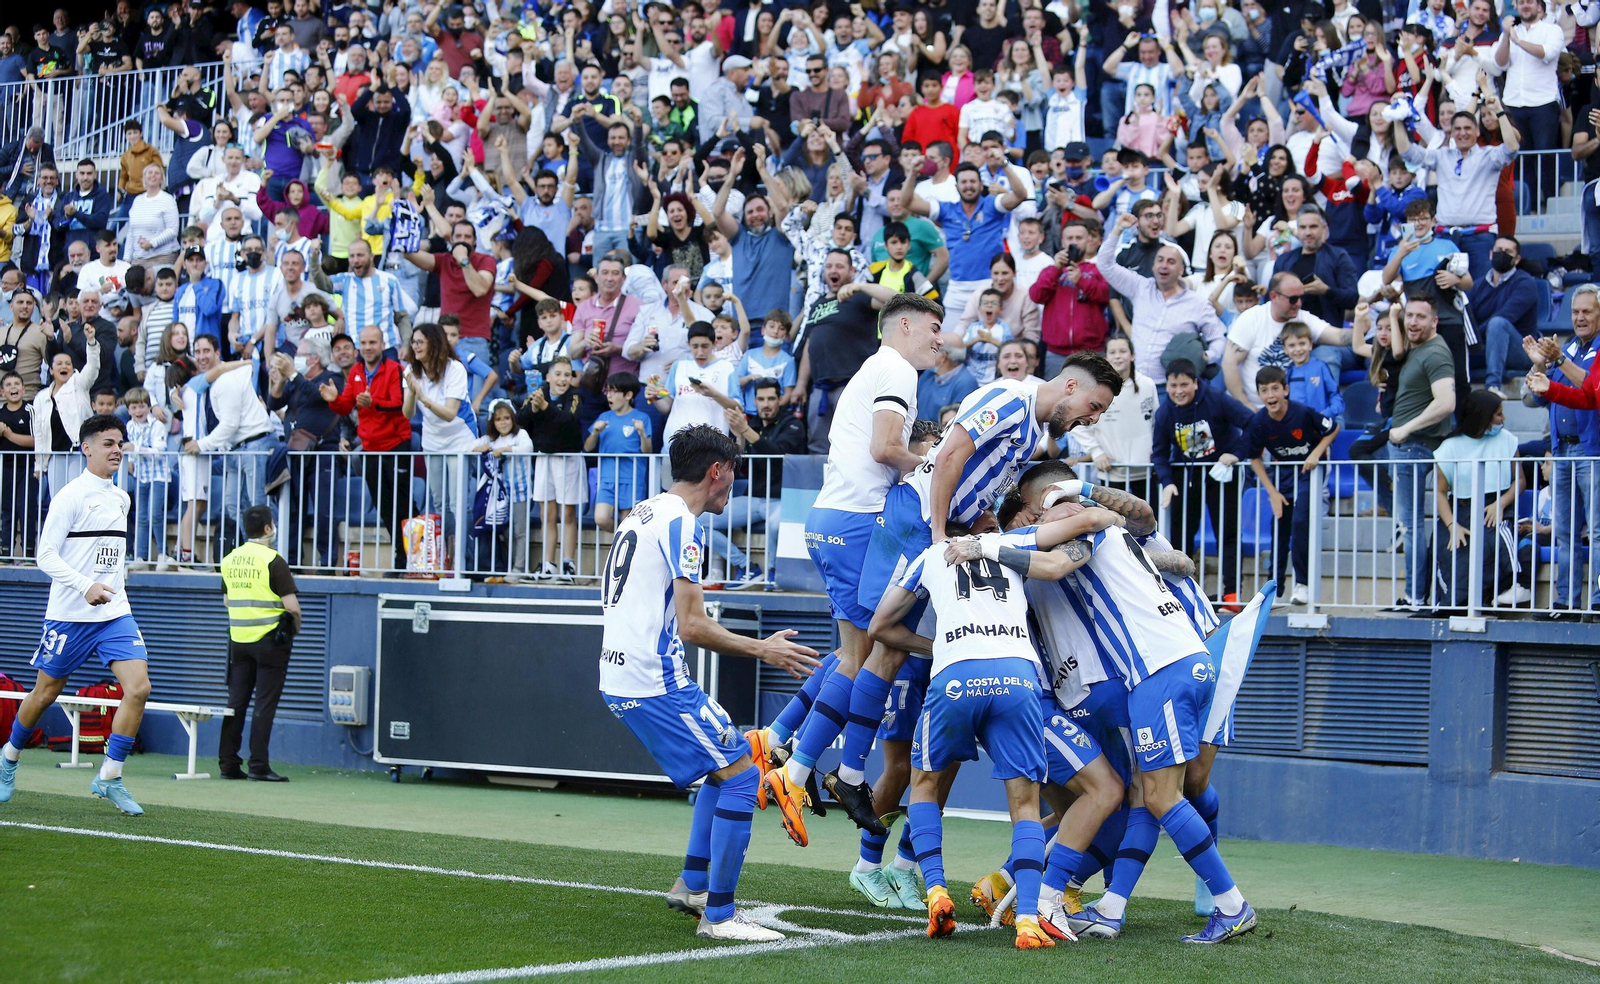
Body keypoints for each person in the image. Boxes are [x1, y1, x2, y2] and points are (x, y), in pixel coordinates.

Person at [871, 503, 1127, 949]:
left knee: (927, 786)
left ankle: (934, 891)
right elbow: (1089, 523)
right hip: (1018, 676)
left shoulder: (929, 557)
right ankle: (1028, 919)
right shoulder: (1009, 543)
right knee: (1024, 803)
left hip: (955, 675)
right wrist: (1107, 511)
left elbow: (880, 625)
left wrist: (937, 646)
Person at [599, 425, 818, 942]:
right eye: (733, 474)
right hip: (653, 680)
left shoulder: (645, 511)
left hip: (628, 671)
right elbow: (694, 624)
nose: (734, 487)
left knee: (729, 764)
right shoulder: (683, 524)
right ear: (715, 471)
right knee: (742, 778)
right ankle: (719, 916)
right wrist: (766, 648)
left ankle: (693, 884)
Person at [752, 292, 944, 846]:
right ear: (902, 325)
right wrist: (935, 466)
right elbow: (888, 448)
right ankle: (808, 770)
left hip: (831, 517)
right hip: (859, 523)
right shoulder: (895, 369)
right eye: (932, 327)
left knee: (850, 654)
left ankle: (781, 742)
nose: (938, 339)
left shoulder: (875, 367)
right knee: (874, 654)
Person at [0, 414, 152, 816]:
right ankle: (9, 757)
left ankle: (110, 776)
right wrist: (85, 586)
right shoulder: (70, 495)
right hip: (69, 614)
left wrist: (114, 586)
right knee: (45, 693)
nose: (117, 449)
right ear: (86, 449)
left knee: (138, 689)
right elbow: (44, 556)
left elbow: (110, 557)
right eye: (108, 443)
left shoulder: (122, 497)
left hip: (115, 613)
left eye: (120, 442)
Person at [1520, 285, 1600, 618]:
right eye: (1575, 312)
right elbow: (1534, 398)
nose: (1579, 318)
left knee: (1597, 531)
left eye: (1587, 312)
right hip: (1563, 451)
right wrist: (1539, 365)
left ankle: (1597, 600)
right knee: (1565, 531)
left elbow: (1590, 390)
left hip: (1592, 451)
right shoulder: (1564, 347)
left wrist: (1559, 361)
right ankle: (1565, 601)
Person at [1153, 359, 1255, 612]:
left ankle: (1231, 595)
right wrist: (1167, 482)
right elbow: (1159, 453)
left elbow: (1252, 423)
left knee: (1227, 534)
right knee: (1180, 537)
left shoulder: (1217, 399)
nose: (1179, 391)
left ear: (1195, 384)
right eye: (1173, 385)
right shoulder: (1165, 412)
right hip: (1185, 480)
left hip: (1223, 475)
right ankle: (1179, 593)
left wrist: (1237, 454)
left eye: (1184, 385)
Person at [1393, 94, 1517, 283]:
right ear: (1451, 132)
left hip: (1480, 238)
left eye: (1468, 128)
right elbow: (1407, 152)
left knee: (1478, 291)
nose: (1462, 133)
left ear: (1477, 132)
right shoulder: (1441, 156)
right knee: (1443, 291)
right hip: (1446, 238)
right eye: (1457, 129)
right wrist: (1397, 117)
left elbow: (1512, 148)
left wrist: (1499, 111)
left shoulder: (1489, 156)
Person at [1095, 212, 1226, 387]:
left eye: (1171, 262)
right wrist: (1118, 229)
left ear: (1181, 270)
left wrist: (1205, 357)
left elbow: (1218, 338)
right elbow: (1105, 264)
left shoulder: (1198, 304)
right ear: (1154, 266)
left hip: (1171, 388)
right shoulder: (1140, 287)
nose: (1164, 265)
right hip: (1135, 383)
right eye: (1160, 260)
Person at [217, 503, 299, 781]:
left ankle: (228, 764)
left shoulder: (229, 559)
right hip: (270, 642)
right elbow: (292, 606)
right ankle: (258, 766)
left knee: (235, 703)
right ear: (268, 528)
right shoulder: (273, 560)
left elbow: (227, 600)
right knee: (264, 704)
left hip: (238, 641)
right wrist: (295, 628)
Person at [906, 149, 1030, 333]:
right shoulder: (946, 210)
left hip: (989, 285)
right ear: (957, 187)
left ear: (981, 185)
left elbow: (1020, 195)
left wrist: (1004, 164)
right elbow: (907, 203)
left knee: (991, 345)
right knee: (947, 347)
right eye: (963, 182)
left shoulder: (992, 205)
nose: (968, 186)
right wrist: (912, 173)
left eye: (973, 181)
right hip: (957, 288)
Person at [320, 325, 412, 572]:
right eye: (364, 343)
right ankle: (402, 556)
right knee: (384, 506)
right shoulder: (357, 372)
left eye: (373, 342)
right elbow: (345, 405)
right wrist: (334, 400)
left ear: (383, 345)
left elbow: (399, 405)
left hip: (396, 445)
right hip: (371, 448)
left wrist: (373, 403)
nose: (368, 347)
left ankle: (410, 555)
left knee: (402, 504)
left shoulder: (395, 369)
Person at [1245, 366, 1339, 606]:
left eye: (1275, 388)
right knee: (1279, 529)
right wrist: (1272, 492)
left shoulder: (1303, 412)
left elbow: (1333, 427)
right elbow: (1254, 457)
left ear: (1285, 390)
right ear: (1258, 394)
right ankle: (1275, 589)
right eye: (1264, 390)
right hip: (1282, 476)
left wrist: (1317, 453)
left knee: (1300, 522)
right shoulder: (1259, 421)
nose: (1270, 395)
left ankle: (1303, 584)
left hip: (1310, 473)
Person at [1386, 298, 1459, 609]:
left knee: (1411, 525)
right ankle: (1416, 594)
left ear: (1435, 322)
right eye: (1409, 316)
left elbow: (1446, 403)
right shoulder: (1419, 345)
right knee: (1409, 524)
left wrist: (1406, 429)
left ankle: (1415, 596)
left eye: (1420, 317)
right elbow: (1399, 350)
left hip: (1413, 445)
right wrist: (1393, 314)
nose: (1413, 322)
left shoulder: (1436, 352)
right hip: (1406, 445)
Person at [1430, 390, 1522, 610]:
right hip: (1459, 509)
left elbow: (1520, 481)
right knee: (1452, 546)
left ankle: (1499, 592)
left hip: (1496, 504)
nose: (1504, 419)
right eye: (1499, 414)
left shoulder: (1508, 440)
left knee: (1493, 538)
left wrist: (1500, 503)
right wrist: (1453, 526)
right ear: (1483, 417)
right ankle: (1453, 604)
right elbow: (1441, 493)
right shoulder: (1449, 448)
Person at [1222, 273, 1352, 410]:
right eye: (1293, 299)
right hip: (1252, 407)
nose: (1299, 304)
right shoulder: (1252, 318)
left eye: (1301, 298)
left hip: (1287, 412)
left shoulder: (1303, 318)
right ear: (1273, 296)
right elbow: (1229, 364)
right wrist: (1246, 405)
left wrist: (1361, 327)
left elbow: (1338, 336)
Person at [186, 354, 274, 540]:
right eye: (198, 351)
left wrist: (201, 445)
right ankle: (251, 551)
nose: (202, 356)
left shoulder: (227, 380)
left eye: (206, 351)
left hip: (254, 444)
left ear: (218, 353)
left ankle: (272, 555)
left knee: (259, 504)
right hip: (235, 449)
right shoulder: (208, 380)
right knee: (232, 504)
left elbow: (230, 424)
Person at [518, 356, 585, 581]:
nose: (562, 379)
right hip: (544, 458)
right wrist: (535, 408)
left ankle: (568, 564)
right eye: (558, 374)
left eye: (567, 374)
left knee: (567, 513)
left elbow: (570, 421)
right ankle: (548, 564)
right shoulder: (539, 392)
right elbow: (520, 419)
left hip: (568, 459)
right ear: (548, 376)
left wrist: (545, 408)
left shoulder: (575, 396)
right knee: (547, 513)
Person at [1074, 335, 1158, 503]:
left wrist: (1156, 448)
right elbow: (1078, 423)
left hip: (1146, 470)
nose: (1118, 356)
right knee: (1114, 524)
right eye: (1112, 352)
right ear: (1106, 357)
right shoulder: (1095, 388)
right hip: (1111, 471)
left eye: (1123, 351)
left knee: (1148, 522)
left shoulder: (1147, 385)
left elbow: (1157, 422)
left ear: (1133, 356)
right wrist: (1097, 452)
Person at [1031, 221, 1111, 375]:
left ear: (1088, 241)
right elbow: (1036, 295)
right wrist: (1056, 269)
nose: (1074, 242)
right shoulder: (1051, 270)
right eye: (1069, 238)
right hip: (1056, 352)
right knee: (1055, 399)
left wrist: (1082, 280)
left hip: (1091, 351)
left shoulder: (1096, 270)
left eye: (1079, 237)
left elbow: (1106, 295)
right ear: (1062, 241)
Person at [32, 328, 102, 499]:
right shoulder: (41, 398)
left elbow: (92, 367)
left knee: (77, 497)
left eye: (68, 363)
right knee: (58, 500)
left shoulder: (79, 383)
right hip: (55, 455)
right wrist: (39, 465)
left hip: (77, 453)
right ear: (51, 370)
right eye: (59, 364)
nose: (64, 366)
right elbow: (40, 434)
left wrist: (91, 342)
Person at [1473, 237, 1542, 395]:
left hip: (1522, 351)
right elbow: (1467, 318)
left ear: (1517, 259)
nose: (1502, 254)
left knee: (1497, 323)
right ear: (1491, 254)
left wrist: (1473, 336)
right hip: (1485, 348)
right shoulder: (1478, 285)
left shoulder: (1526, 283)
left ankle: (1493, 387)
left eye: (1508, 252)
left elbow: (1505, 316)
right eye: (1498, 251)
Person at [588, 372, 653, 534]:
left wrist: (642, 434)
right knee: (601, 518)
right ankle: (620, 538)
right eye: (607, 391)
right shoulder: (604, 417)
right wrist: (595, 433)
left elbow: (648, 451)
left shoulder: (642, 418)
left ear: (628, 395)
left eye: (613, 391)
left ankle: (622, 548)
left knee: (628, 522)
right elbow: (588, 447)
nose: (608, 395)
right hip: (607, 478)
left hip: (632, 478)